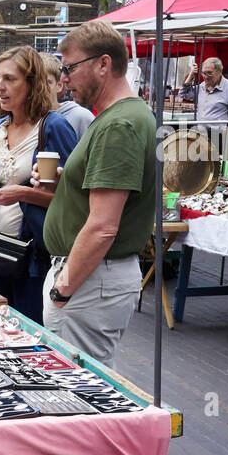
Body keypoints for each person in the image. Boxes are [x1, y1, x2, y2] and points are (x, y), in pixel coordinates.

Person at [41, 19, 157, 366]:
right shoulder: (120, 118)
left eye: (70, 68)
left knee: (76, 392)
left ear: (103, 64)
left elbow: (104, 225)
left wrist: (63, 288)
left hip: (91, 278)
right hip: (96, 278)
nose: (64, 79)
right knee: (85, 385)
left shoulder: (119, 125)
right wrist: (67, 179)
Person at [0, 47, 77, 324]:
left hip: (36, 257)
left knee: (33, 334)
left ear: (32, 82)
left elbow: (75, 198)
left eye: (10, 79)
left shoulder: (53, 127)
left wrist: (22, 193)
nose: (0, 87)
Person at [43, 55, 95, 139]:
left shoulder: (81, 117)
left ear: (59, 86)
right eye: (35, 82)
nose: (41, 88)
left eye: (47, 82)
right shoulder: (25, 120)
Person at [196, 57, 228, 126]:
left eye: (209, 73)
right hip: (201, 134)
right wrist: (191, 74)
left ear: (220, 71)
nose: (206, 77)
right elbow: (184, 93)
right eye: (204, 73)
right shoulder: (201, 86)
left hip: (220, 134)